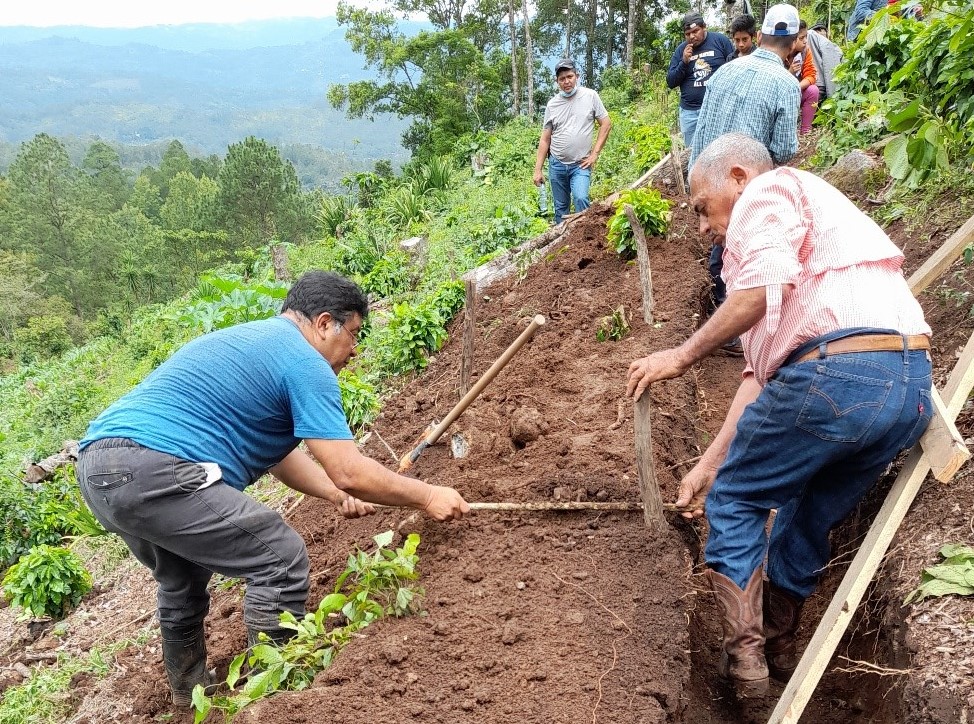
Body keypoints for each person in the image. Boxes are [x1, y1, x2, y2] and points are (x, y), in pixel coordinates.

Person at [626, 133, 932, 697]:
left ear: (738, 177)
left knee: (738, 502)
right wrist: (709, 464)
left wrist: (682, 354)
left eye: (700, 208)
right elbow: (758, 382)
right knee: (805, 511)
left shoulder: (767, 193)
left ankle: (745, 665)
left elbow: (761, 292)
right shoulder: (813, 239)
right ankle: (779, 641)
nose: (701, 227)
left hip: (835, 377)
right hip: (908, 390)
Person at [75, 270, 470, 708]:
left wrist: (337, 496)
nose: (354, 351)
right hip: (154, 465)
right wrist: (428, 495)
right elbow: (349, 470)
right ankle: (273, 702)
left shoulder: (257, 343)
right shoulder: (305, 361)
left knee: (181, 579)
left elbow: (285, 459)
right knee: (279, 558)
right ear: (323, 323)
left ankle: (188, 697)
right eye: (353, 334)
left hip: (101, 468)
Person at [688, 4, 800, 349]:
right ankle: (734, 329)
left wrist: (699, 191)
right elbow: (782, 150)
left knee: (719, 242)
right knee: (744, 253)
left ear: (761, 36)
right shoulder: (786, 84)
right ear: (795, 42)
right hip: (745, 185)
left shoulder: (725, 71)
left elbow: (702, 128)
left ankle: (718, 315)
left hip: (709, 181)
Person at [533, 58, 612, 225]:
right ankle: (563, 245)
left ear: (577, 76)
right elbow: (545, 138)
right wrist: (538, 170)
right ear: (557, 82)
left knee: (581, 199)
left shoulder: (590, 96)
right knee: (561, 208)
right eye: (562, 79)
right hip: (557, 164)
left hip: (580, 164)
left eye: (569, 77)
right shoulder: (552, 105)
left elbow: (606, 124)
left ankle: (587, 241)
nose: (566, 82)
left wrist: (594, 154)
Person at [666, 11, 734, 148]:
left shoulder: (720, 41)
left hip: (717, 109)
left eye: (695, 31)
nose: (692, 36)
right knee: (692, 154)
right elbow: (671, 82)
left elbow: (734, 69)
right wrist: (684, 62)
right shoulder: (681, 50)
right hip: (690, 113)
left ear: (704, 27)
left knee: (718, 151)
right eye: (688, 34)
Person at [789, 20, 819, 135]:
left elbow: (811, 75)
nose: (805, 41)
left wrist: (797, 86)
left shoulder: (806, 51)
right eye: (801, 38)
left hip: (797, 91)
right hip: (782, 94)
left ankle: (806, 132)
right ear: (792, 39)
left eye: (806, 37)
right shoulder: (781, 51)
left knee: (813, 90)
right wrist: (790, 72)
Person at [808, 22, 843, 102]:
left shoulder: (804, 39)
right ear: (819, 31)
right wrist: (832, 95)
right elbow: (831, 66)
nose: (824, 33)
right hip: (820, 84)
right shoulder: (813, 36)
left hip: (811, 84)